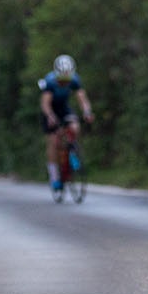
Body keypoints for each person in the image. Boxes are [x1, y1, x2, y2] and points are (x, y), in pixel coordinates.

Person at [38, 54, 93, 196]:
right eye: (61, 80)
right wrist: (50, 116)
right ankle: (54, 176)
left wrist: (87, 111)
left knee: (75, 127)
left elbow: (82, 99)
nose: (64, 83)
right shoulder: (50, 81)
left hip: (64, 108)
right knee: (52, 141)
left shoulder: (74, 80)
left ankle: (72, 151)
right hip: (50, 110)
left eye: (66, 80)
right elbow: (45, 103)